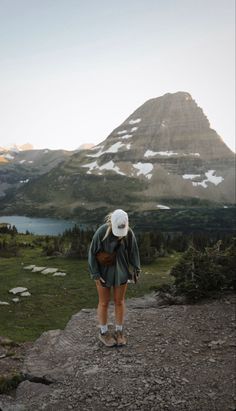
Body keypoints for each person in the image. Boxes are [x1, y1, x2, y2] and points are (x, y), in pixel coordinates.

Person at [88, 209, 141, 347]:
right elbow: (92, 253)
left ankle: (119, 331)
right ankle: (103, 332)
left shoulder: (128, 232)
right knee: (104, 302)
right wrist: (95, 274)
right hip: (103, 273)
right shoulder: (101, 232)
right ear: (111, 223)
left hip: (121, 272)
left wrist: (136, 268)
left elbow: (133, 250)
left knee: (119, 301)